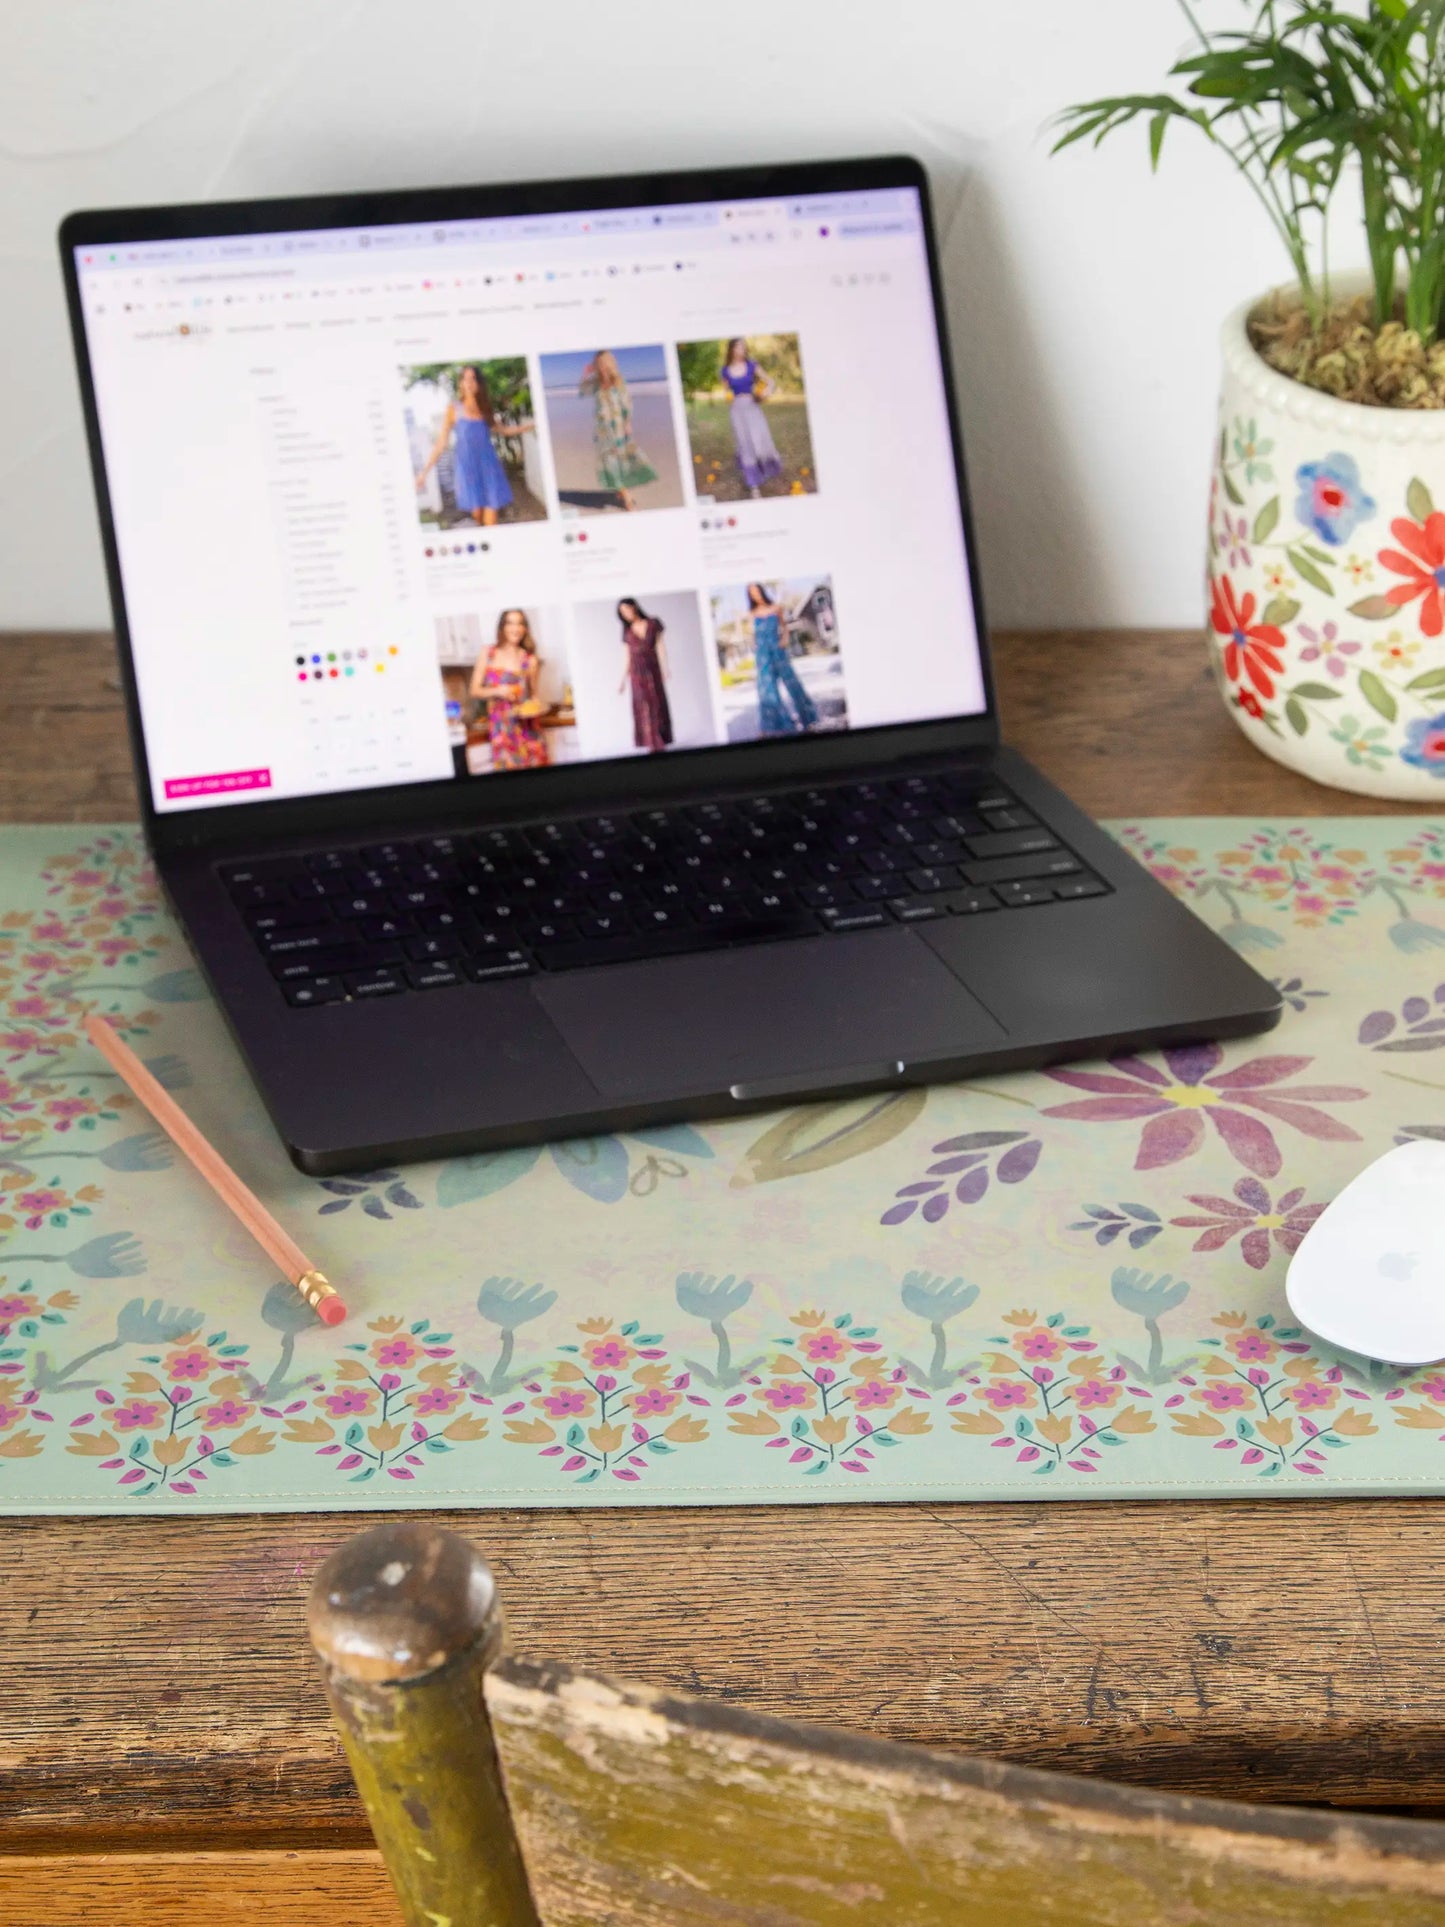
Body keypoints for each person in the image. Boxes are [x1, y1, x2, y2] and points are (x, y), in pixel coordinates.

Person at [415, 365, 531, 526]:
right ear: (461, 383)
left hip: (489, 466)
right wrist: (424, 472)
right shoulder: (453, 409)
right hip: (467, 468)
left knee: (491, 516)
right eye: (465, 378)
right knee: (477, 513)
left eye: (473, 378)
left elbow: (503, 430)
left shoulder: (485, 409)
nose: (469, 382)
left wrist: (528, 426)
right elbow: (441, 443)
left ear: (478, 383)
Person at [468, 608, 549, 771]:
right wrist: (498, 691)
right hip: (501, 729)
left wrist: (537, 705)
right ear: (502, 627)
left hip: (527, 728)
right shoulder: (488, 653)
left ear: (525, 628)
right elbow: (474, 690)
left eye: (520, 624)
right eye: (510, 623)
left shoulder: (530, 659)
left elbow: (533, 696)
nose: (515, 628)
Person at [580, 351, 658, 511]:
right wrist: (585, 374)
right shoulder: (595, 384)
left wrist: (628, 422)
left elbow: (627, 403)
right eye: (598, 364)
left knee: (622, 461)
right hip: (602, 431)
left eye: (603, 363)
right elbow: (582, 392)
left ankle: (623, 492)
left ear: (609, 363)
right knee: (610, 462)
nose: (601, 367)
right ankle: (625, 495)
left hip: (618, 428)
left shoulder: (618, 381)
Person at [747, 581, 816, 735]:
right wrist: (755, 649)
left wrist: (784, 639)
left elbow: (784, 626)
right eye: (751, 593)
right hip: (762, 654)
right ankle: (772, 725)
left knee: (792, 682)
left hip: (777, 649)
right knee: (766, 688)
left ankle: (808, 718)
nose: (755, 595)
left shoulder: (776, 608)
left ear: (761, 590)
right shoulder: (752, 614)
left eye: (756, 591)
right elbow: (752, 634)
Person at [720, 338, 783, 498]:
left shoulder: (752, 365)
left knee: (759, 441)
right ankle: (754, 484)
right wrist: (727, 395)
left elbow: (770, 382)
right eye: (739, 347)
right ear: (732, 350)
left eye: (744, 347)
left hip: (752, 408)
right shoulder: (725, 370)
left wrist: (764, 393)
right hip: (736, 411)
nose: (742, 350)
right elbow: (726, 392)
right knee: (745, 443)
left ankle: (766, 469)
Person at [616, 597, 673, 752]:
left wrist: (665, 668)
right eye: (622, 612)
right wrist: (621, 681)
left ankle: (658, 742)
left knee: (657, 705)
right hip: (636, 674)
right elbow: (627, 658)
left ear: (634, 606)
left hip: (653, 670)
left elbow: (661, 647)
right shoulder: (627, 632)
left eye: (627, 609)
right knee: (643, 707)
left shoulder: (653, 623)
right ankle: (651, 744)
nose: (626, 613)